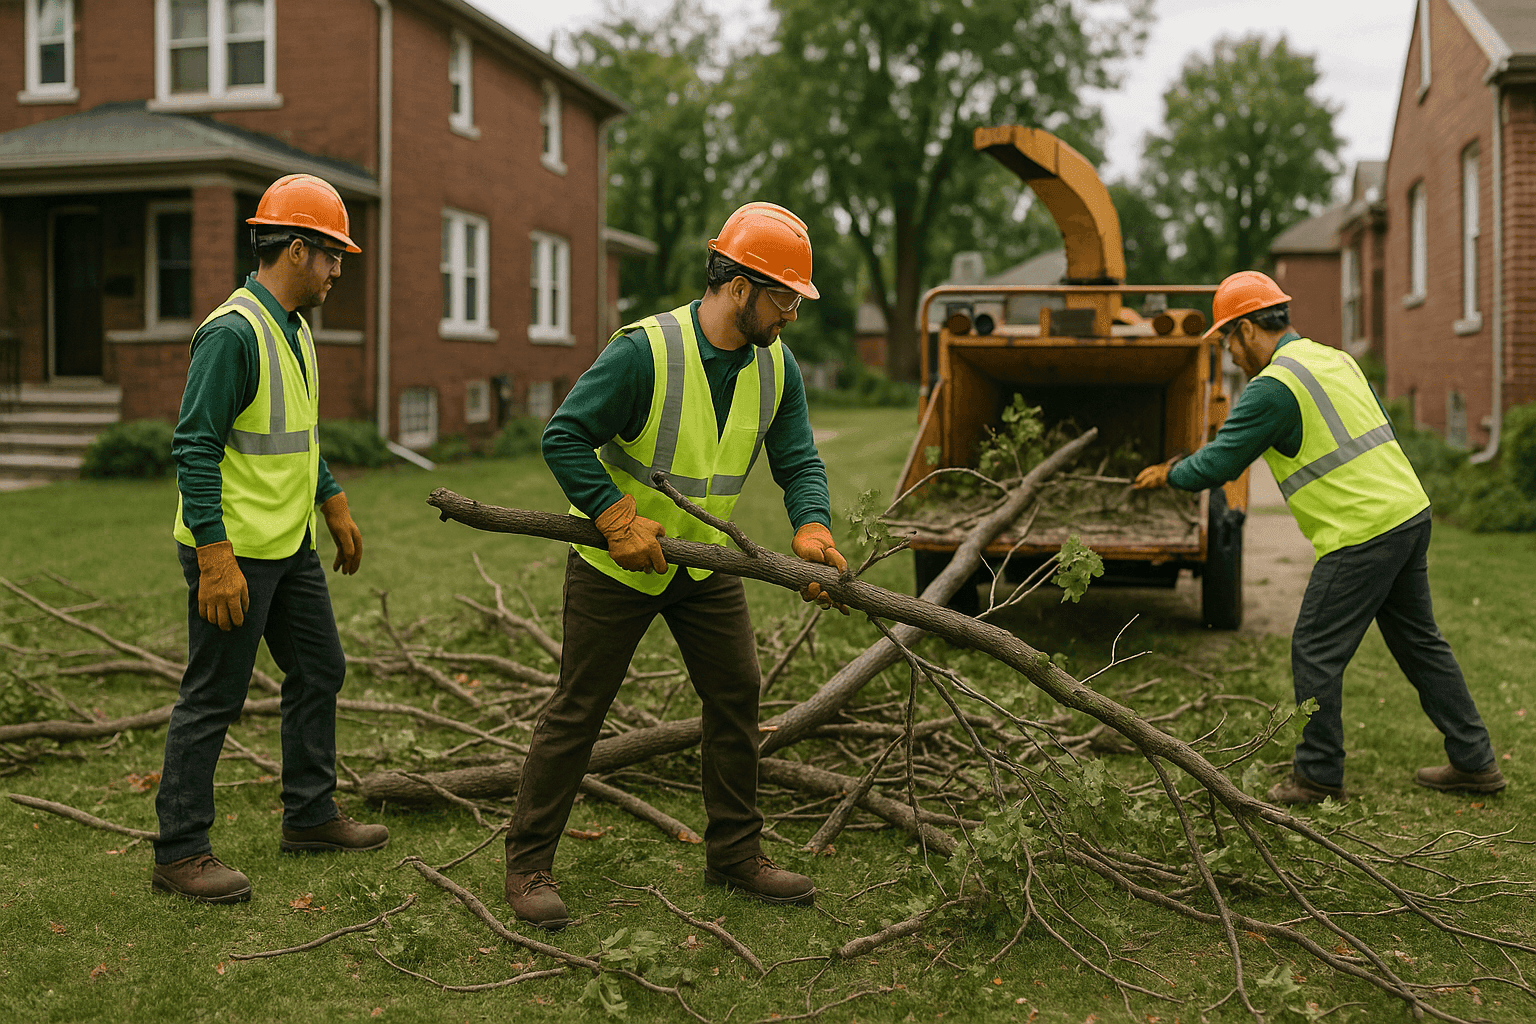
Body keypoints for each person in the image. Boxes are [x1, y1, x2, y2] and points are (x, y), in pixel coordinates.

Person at [505, 202, 845, 930]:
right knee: (578, 710)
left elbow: (799, 461)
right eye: (785, 296)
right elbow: (564, 437)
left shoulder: (775, 366)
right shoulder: (644, 351)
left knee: (737, 694)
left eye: (797, 299)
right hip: (617, 568)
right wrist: (614, 516)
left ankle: (734, 855)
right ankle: (528, 864)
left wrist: (812, 528)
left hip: (706, 565)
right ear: (740, 287)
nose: (791, 314)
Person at [1134, 270, 1504, 806]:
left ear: (1248, 330)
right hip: (1408, 514)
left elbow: (1220, 461)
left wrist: (1169, 472)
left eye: (1229, 341)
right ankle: (1475, 762)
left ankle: (1318, 775)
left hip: (1362, 533)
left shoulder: (1273, 389)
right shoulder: (1334, 359)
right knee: (1421, 645)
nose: (1232, 356)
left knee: (1315, 650)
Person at [154, 174, 387, 904]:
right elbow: (194, 446)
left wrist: (333, 498)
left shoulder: (292, 327)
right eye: (331, 255)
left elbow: (296, 433)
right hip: (233, 554)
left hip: (288, 547)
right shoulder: (233, 332)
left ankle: (309, 816)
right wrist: (215, 556)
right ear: (295, 250)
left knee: (320, 670)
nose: (338, 269)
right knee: (212, 698)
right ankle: (180, 851)